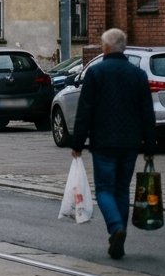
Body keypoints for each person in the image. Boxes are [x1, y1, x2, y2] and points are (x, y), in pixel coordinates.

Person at [67, 28, 156, 260]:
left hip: (103, 142)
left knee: (105, 189)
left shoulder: (96, 73)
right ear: (123, 47)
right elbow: (147, 112)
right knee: (121, 189)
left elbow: (85, 111)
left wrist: (77, 142)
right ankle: (120, 234)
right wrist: (150, 145)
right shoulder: (137, 75)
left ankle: (116, 227)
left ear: (105, 48)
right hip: (130, 142)